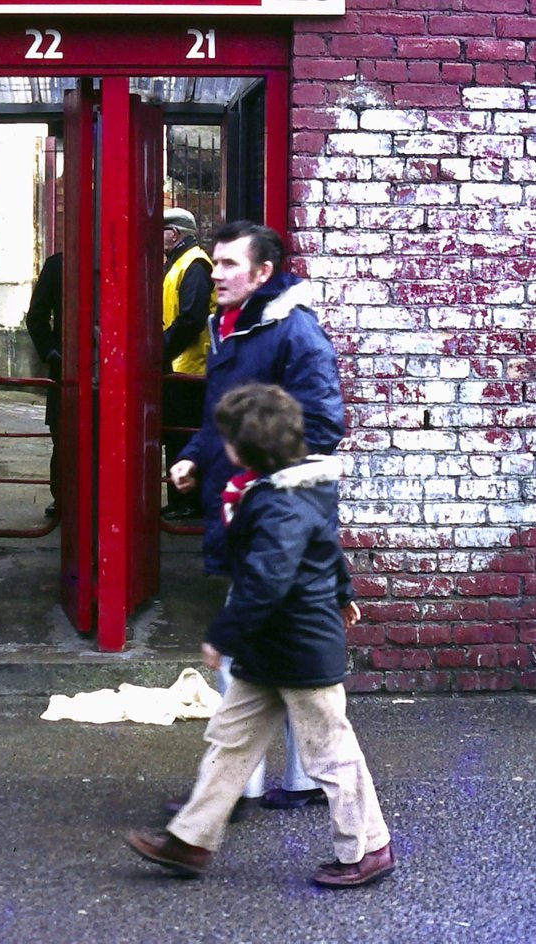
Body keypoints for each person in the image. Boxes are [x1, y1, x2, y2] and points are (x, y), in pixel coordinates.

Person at [126, 383, 396, 889]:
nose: (222, 447)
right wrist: (342, 592)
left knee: (330, 753)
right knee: (229, 741)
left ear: (246, 449)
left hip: (297, 648)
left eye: (227, 440)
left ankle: (368, 848)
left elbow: (267, 580)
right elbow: (327, 548)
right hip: (272, 647)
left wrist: (223, 634)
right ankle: (189, 841)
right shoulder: (291, 489)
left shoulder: (279, 505)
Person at [170, 220, 346, 811]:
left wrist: (255, 480)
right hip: (249, 504)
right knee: (283, 656)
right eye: (214, 263)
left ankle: (241, 793)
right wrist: (197, 457)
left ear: (264, 272)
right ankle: (292, 784)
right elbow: (224, 414)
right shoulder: (234, 325)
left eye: (228, 265)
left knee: (251, 647)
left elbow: (322, 426)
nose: (214, 274)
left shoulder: (294, 332)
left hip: (274, 514)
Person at [161, 208, 215, 520]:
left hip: (191, 366)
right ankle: (180, 500)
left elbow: (192, 318)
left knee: (185, 434)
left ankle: (191, 501)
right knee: (175, 435)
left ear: (176, 233)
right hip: (179, 364)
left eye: (163, 229)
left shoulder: (194, 263)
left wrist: (162, 347)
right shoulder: (180, 262)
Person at [26, 251, 62, 518]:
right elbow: (36, 316)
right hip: (68, 371)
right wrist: (51, 351)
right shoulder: (58, 265)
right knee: (62, 438)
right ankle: (62, 495)